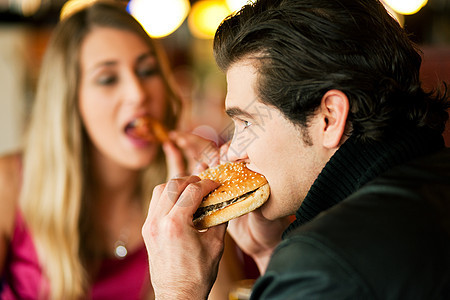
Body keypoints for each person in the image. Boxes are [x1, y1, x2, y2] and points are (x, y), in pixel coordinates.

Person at [142, 0, 450, 299]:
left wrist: (177, 290)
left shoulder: (323, 261)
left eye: (248, 123)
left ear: (329, 117)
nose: (234, 151)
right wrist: (269, 254)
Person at [0, 1, 244, 299]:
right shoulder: (9, 184)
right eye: (108, 79)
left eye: (147, 71)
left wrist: (199, 211)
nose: (137, 93)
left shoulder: (191, 185)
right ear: (69, 101)